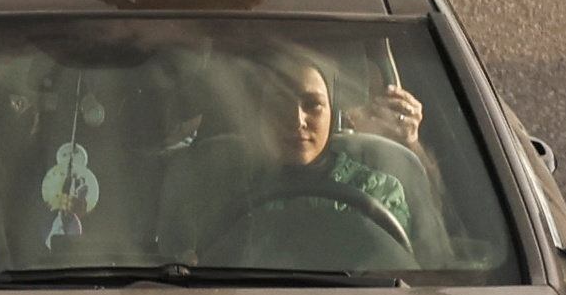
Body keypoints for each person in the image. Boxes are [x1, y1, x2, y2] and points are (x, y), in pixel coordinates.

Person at [158, 47, 444, 266]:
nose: (297, 120)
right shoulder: (218, 183)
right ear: (259, 112)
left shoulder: (379, 188)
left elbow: (409, 277)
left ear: (333, 112)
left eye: (313, 105)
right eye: (280, 103)